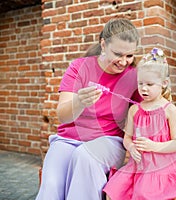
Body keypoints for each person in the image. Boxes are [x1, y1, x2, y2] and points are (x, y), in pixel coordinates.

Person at [36, 18, 142, 200]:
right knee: (51, 187)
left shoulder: (134, 76)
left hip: (109, 141)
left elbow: (149, 110)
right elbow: (62, 116)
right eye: (118, 54)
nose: (124, 62)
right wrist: (79, 102)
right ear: (103, 44)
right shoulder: (79, 67)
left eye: (129, 56)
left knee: (86, 156)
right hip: (67, 140)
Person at [103, 47, 176, 200]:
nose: (144, 88)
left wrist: (154, 146)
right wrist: (132, 146)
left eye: (150, 84)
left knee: (142, 194)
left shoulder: (169, 109)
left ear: (164, 83)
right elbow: (127, 137)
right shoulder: (134, 110)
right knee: (111, 191)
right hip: (137, 166)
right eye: (140, 83)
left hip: (159, 169)